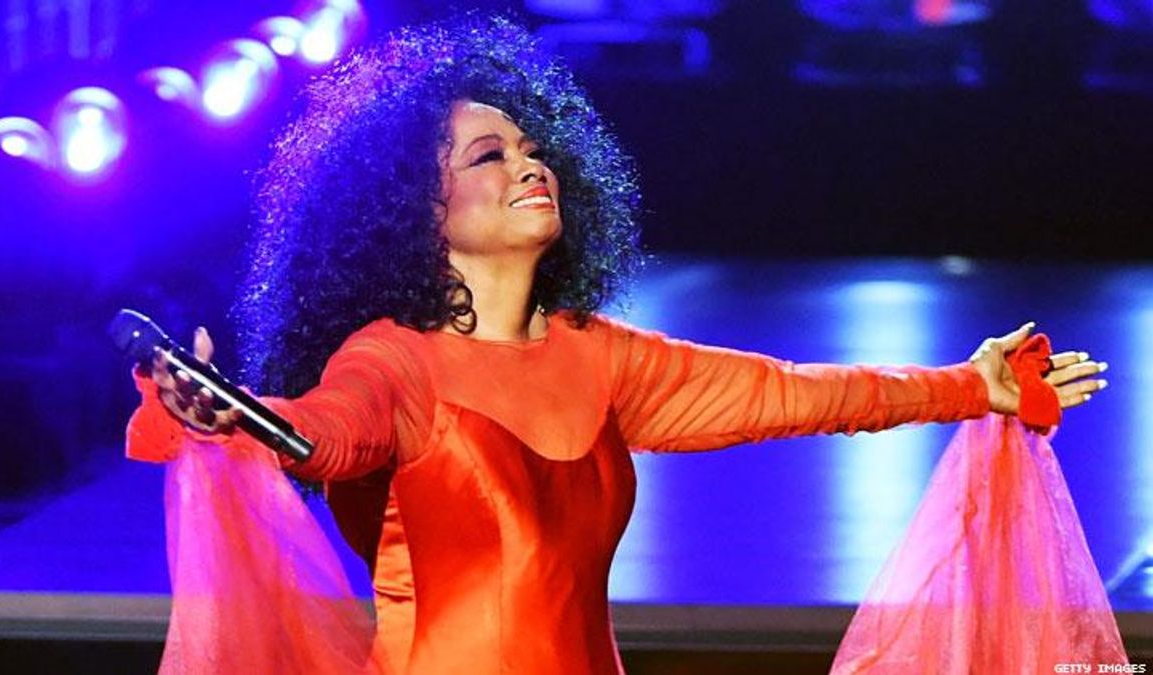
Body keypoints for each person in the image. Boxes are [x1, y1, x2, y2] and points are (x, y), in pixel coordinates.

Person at [125, 14, 1108, 675]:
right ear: (414, 210)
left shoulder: (601, 356)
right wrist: (237, 415)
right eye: (490, 155)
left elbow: (797, 392)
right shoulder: (392, 362)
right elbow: (325, 435)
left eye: (533, 149)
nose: (531, 166)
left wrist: (967, 385)